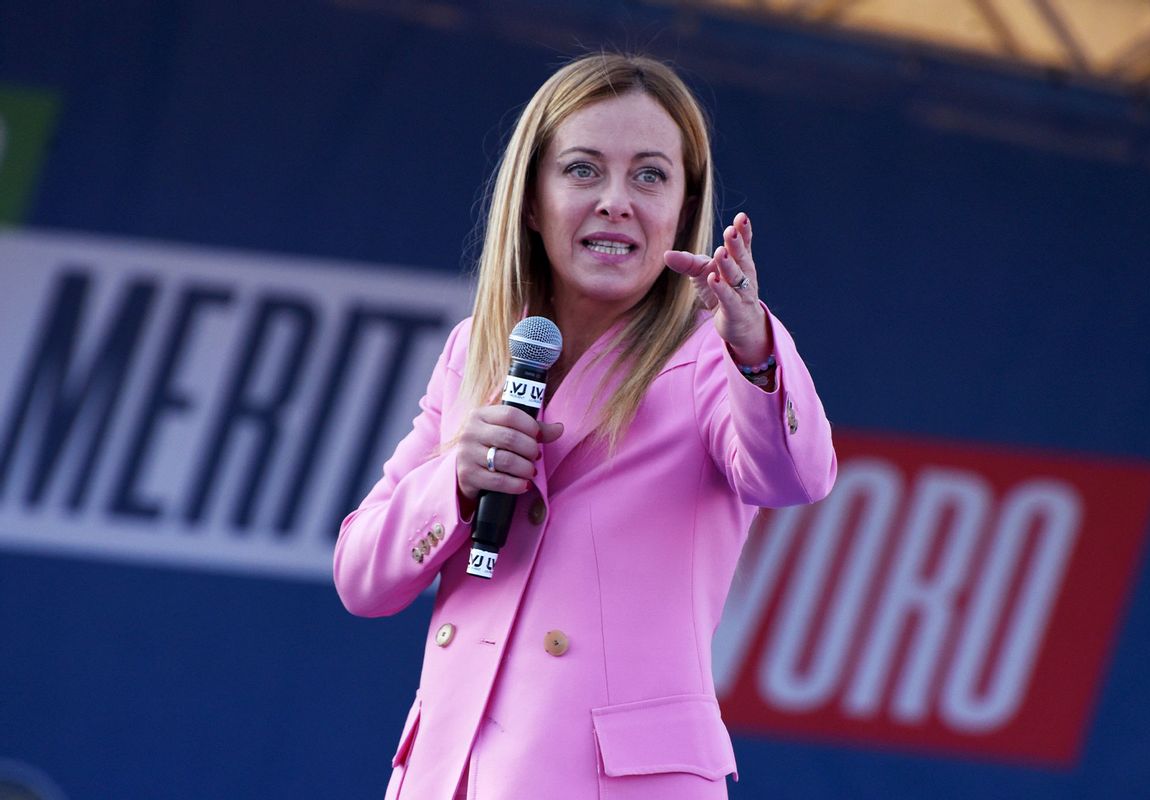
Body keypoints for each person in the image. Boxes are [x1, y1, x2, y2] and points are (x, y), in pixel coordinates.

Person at [333, 52, 837, 800]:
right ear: (532, 200)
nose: (615, 201)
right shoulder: (479, 349)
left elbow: (795, 477)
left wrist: (755, 345)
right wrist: (457, 484)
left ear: (682, 209)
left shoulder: (712, 354)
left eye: (650, 175)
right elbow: (361, 576)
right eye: (582, 169)